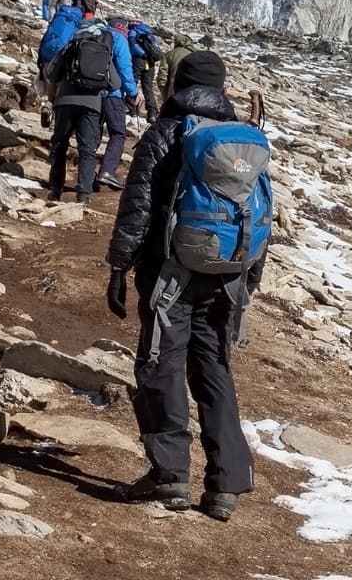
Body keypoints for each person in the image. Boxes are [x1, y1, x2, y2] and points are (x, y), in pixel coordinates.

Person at [105, 50, 259, 522]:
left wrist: (118, 266)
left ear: (178, 85)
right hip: (226, 275)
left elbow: (139, 206)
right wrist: (249, 278)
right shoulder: (245, 141)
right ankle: (226, 484)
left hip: (168, 272)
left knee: (161, 364)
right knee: (214, 367)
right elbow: (255, 214)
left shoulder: (164, 133)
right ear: (222, 89)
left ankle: (170, 475)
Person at [41, 6, 136, 204]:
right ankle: (83, 195)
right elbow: (116, 82)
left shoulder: (73, 44)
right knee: (88, 149)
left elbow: (51, 73)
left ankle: (55, 190)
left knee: (60, 144)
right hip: (92, 104)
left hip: (65, 101)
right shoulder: (104, 48)